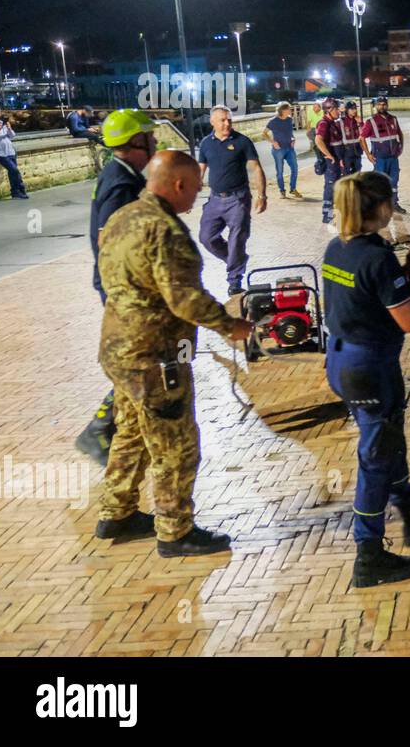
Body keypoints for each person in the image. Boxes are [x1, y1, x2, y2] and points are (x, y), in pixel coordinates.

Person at [94, 150, 254, 556]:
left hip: (118, 348)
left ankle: (117, 511)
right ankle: (174, 530)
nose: (197, 197)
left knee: (130, 433)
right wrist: (228, 324)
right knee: (175, 444)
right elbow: (183, 298)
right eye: (196, 190)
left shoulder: (121, 217)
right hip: (155, 356)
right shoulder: (164, 230)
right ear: (178, 184)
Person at [322, 171, 410, 587]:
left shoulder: (338, 247)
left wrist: (405, 264)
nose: (394, 204)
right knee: (375, 460)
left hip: (343, 362)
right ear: (378, 208)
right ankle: (369, 555)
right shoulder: (378, 260)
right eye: (390, 199)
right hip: (370, 369)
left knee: (388, 440)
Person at [75, 109, 159, 465]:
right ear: (135, 142)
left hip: (120, 285)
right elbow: (110, 239)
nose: (155, 141)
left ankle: (113, 426)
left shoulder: (121, 175)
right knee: (137, 357)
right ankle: (100, 428)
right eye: (150, 136)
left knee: (140, 358)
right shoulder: (121, 184)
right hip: (121, 288)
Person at [197, 106, 268, 295]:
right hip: (214, 199)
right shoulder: (205, 144)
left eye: (229, 120)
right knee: (206, 237)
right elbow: (200, 171)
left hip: (238, 199)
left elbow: (256, 169)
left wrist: (262, 195)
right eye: (222, 120)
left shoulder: (242, 142)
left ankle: (234, 281)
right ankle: (236, 260)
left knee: (237, 239)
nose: (227, 123)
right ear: (212, 122)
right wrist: (189, 194)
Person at [361, 96, 406, 213]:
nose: (382, 106)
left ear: (387, 105)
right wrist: (368, 154)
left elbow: (400, 134)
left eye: (384, 104)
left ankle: (394, 203)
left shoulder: (393, 119)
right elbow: (361, 138)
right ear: (375, 106)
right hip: (379, 158)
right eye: (379, 104)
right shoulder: (371, 122)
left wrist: (401, 147)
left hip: (393, 157)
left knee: (394, 181)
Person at [314, 98, 349, 224]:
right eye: (337, 109)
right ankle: (327, 215)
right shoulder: (324, 123)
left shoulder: (333, 123)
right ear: (330, 109)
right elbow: (318, 140)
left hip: (337, 162)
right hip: (331, 164)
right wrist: (329, 156)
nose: (339, 112)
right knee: (330, 187)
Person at [0, 106, 28, 199]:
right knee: (14, 170)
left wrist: (9, 128)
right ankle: (17, 191)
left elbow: (12, 136)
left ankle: (19, 191)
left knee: (13, 171)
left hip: (10, 151)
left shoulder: (2, 123)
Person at [264, 101, 302, 199]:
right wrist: (273, 142)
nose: (290, 110)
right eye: (288, 109)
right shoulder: (273, 121)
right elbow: (264, 133)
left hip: (290, 148)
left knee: (295, 169)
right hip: (278, 150)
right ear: (283, 110)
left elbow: (291, 134)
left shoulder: (289, 120)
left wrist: (293, 139)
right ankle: (282, 191)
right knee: (280, 171)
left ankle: (293, 189)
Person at [340, 100, 364, 175]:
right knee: (346, 174)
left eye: (355, 108)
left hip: (357, 151)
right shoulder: (342, 121)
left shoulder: (358, 120)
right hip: (346, 151)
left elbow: (365, 133)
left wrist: (360, 123)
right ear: (347, 110)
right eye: (352, 109)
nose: (354, 111)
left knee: (357, 173)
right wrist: (340, 157)